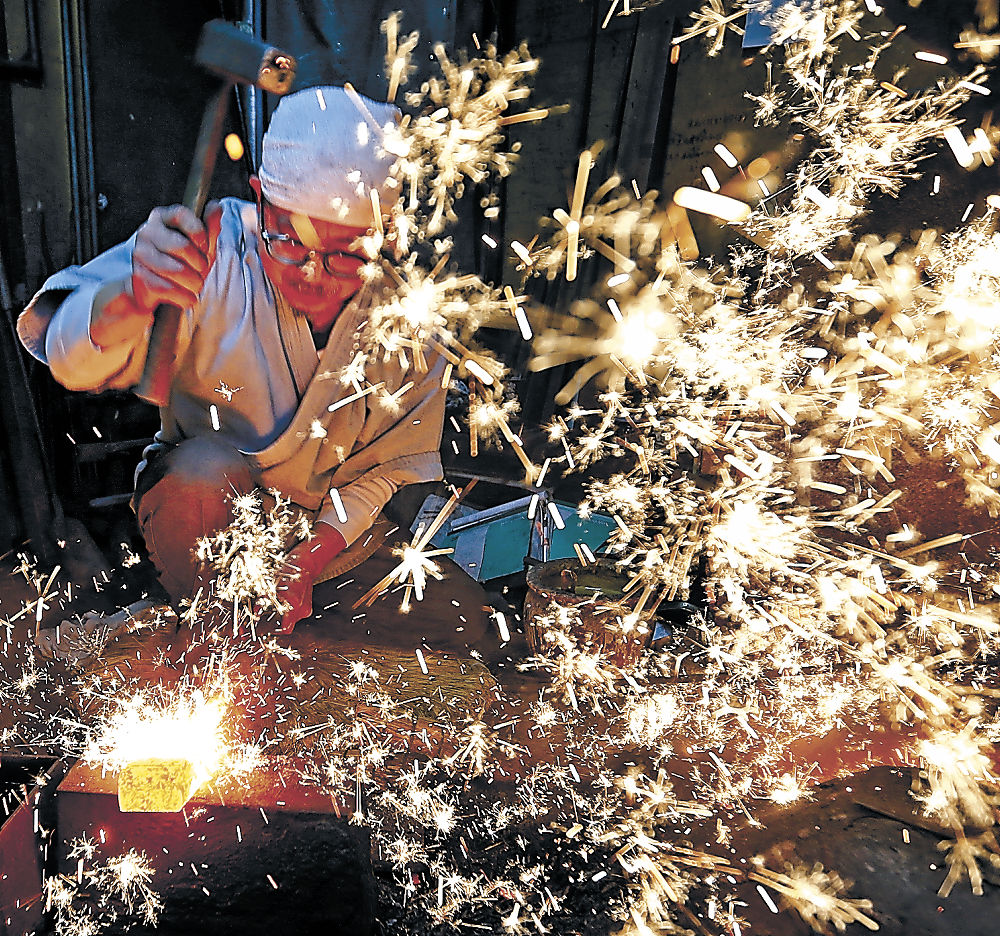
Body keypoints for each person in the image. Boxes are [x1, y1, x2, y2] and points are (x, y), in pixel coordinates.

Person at [18, 85, 451, 638]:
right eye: (288, 241)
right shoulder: (209, 250)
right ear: (259, 199)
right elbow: (70, 360)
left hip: (337, 542)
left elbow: (383, 472)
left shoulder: (410, 320)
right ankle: (217, 632)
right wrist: (134, 292)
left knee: (460, 630)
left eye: (346, 254)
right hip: (209, 523)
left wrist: (305, 564)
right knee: (204, 485)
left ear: (385, 234)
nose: (313, 275)